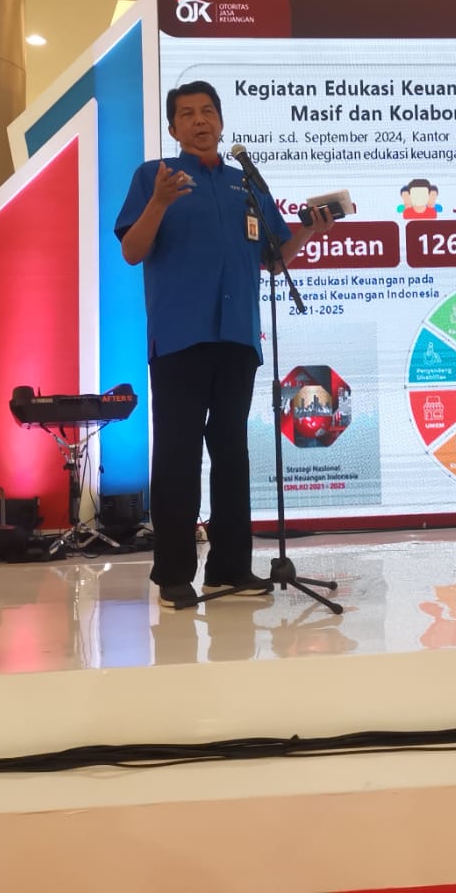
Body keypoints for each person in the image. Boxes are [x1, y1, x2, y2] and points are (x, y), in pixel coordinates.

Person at [116, 80, 336, 610]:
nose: (199, 121)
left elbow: (272, 258)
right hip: (180, 336)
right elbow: (132, 250)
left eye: (207, 111)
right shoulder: (154, 176)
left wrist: (309, 231)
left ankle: (229, 568)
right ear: (173, 127)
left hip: (237, 335)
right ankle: (174, 573)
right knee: (178, 453)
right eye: (187, 113)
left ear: (221, 120)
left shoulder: (246, 184)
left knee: (232, 453)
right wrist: (159, 203)